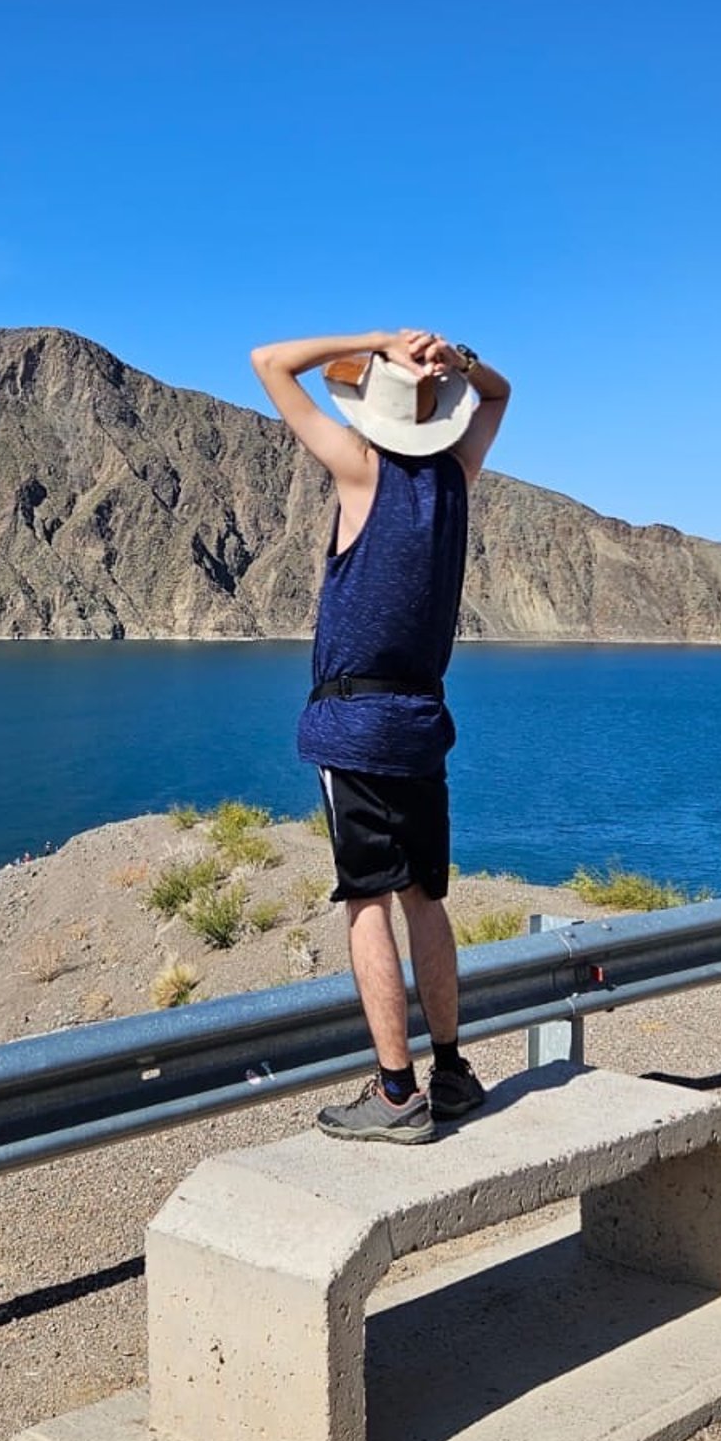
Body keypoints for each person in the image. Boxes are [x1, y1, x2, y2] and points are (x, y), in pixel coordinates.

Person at [249, 327, 512, 1141]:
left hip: (354, 725)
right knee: (426, 899)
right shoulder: (457, 476)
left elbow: (268, 361)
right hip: (422, 723)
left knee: (367, 904)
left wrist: (376, 339)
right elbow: (501, 393)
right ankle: (453, 1071)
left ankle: (396, 1095)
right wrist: (456, 362)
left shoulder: (361, 471)